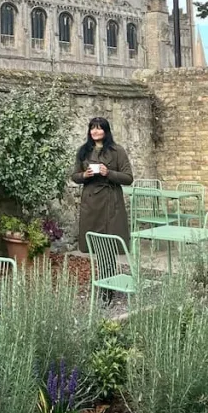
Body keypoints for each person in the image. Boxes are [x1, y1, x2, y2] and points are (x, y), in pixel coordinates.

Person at [71, 117, 133, 288]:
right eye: (92, 128)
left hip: (110, 203)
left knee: (109, 245)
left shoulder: (117, 151)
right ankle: (102, 282)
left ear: (106, 131)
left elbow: (128, 178)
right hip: (91, 204)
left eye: (99, 128)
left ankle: (109, 285)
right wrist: (85, 175)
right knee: (96, 245)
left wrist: (109, 172)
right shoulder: (83, 151)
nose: (95, 132)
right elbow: (75, 176)